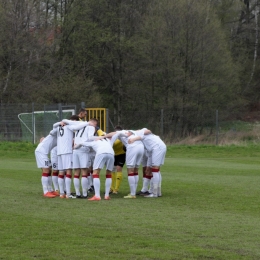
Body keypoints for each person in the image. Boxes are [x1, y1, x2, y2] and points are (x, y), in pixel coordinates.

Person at [53, 115, 93, 199]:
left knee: (61, 172)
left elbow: (53, 126)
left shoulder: (58, 127)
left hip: (59, 151)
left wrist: (60, 123)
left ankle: (61, 193)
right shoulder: (69, 126)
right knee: (69, 171)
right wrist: (87, 123)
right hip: (67, 151)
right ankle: (68, 194)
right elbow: (78, 126)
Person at [101, 129, 144, 199]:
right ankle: (133, 192)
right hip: (141, 147)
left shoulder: (120, 132)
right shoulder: (133, 132)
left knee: (130, 171)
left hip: (132, 147)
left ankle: (132, 194)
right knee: (136, 170)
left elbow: (114, 133)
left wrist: (103, 137)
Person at [128, 128, 166, 198]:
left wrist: (133, 139)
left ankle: (155, 193)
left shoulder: (140, 132)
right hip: (152, 150)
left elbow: (147, 132)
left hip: (157, 148)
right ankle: (154, 191)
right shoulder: (138, 133)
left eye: (129, 133)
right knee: (149, 169)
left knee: (155, 169)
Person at [74, 136, 115, 201]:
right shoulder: (108, 141)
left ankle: (97, 196)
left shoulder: (94, 142)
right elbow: (117, 133)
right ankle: (107, 195)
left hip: (101, 153)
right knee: (109, 173)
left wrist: (75, 147)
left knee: (95, 173)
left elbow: (82, 143)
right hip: (111, 153)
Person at [72, 118, 98, 198]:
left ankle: (77, 193)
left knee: (76, 172)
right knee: (84, 172)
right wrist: (99, 138)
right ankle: (84, 193)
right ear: (92, 123)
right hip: (83, 150)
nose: (95, 127)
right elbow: (90, 137)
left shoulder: (79, 126)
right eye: (96, 124)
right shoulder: (90, 127)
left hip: (75, 150)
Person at [35, 129, 59, 198]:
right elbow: (53, 129)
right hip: (41, 152)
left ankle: (50, 190)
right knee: (46, 170)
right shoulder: (55, 132)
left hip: (44, 153)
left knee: (49, 170)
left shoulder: (61, 136)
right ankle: (45, 192)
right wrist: (61, 124)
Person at [109, 126, 126, 194]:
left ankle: (116, 189)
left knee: (118, 169)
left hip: (121, 155)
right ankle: (111, 188)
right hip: (113, 155)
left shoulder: (121, 139)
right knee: (112, 170)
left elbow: (114, 144)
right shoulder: (112, 138)